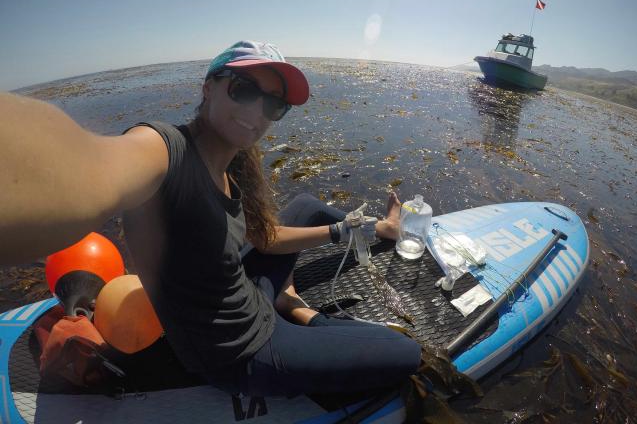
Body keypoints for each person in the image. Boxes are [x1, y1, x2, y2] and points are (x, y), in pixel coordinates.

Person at [0, 41, 421, 397]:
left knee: (309, 204)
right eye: (244, 89)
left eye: (274, 103)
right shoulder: (166, 152)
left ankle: (377, 231)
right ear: (209, 87)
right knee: (407, 354)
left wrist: (340, 229)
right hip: (241, 352)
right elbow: (85, 169)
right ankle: (297, 309)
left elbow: (265, 238)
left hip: (247, 289)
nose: (258, 110)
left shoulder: (231, 163)